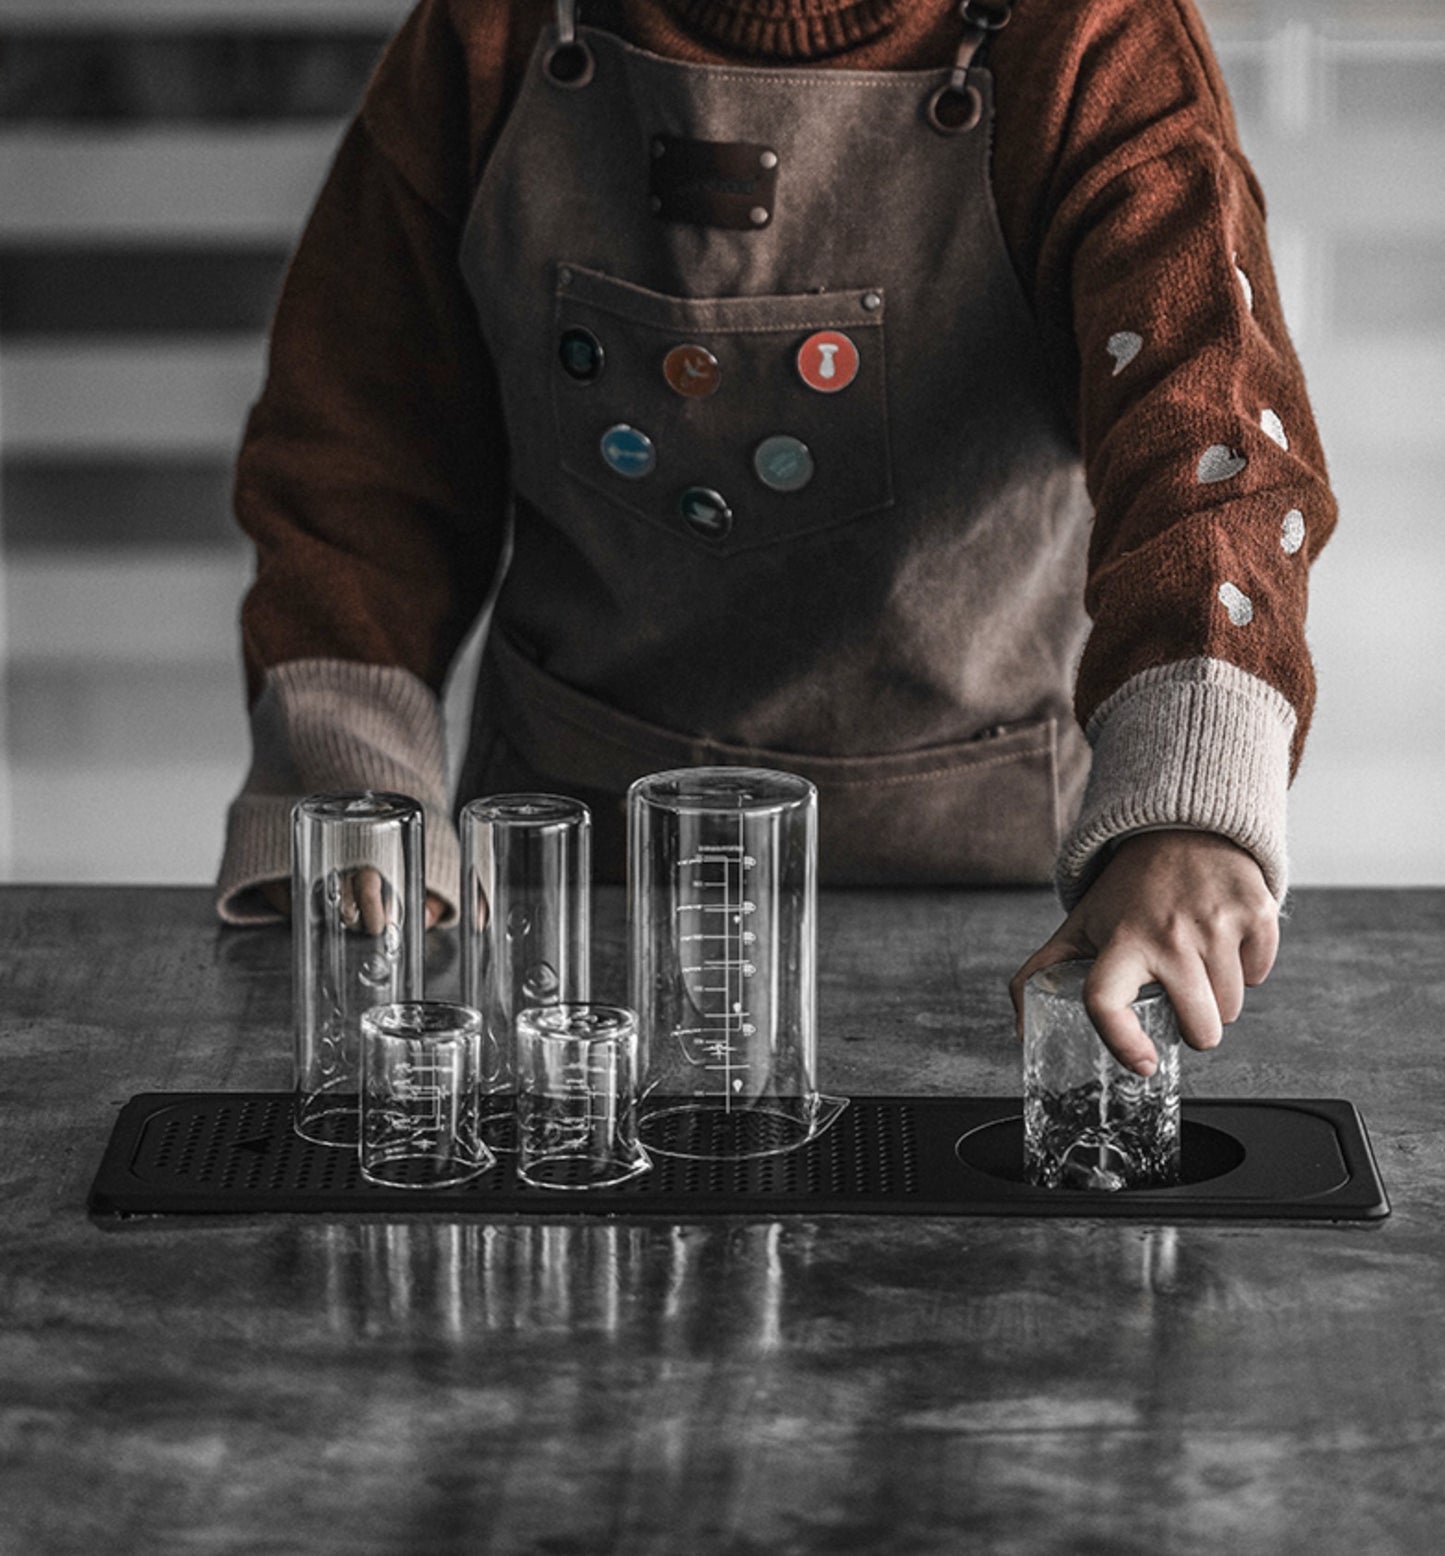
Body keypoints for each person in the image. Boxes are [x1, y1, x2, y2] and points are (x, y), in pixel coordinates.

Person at [215, 0, 1336, 1077]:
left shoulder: (1089, 35)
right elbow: (357, 451)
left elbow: (1210, 437)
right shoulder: (488, 31)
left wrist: (1190, 803)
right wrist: (355, 795)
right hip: (565, 920)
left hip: (992, 916)